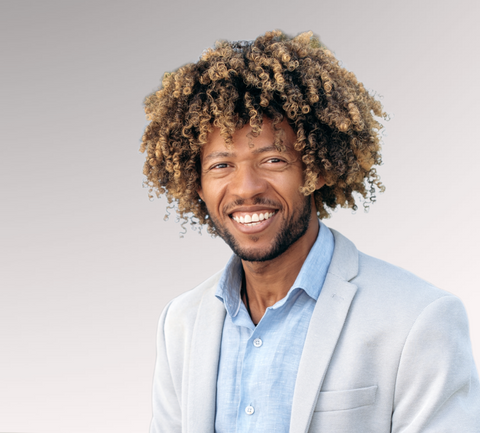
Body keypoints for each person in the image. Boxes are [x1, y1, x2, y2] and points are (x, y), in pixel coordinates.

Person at [140, 30, 480, 432]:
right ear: (197, 185)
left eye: (272, 159)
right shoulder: (180, 323)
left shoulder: (418, 320)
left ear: (315, 169)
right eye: (221, 165)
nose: (246, 188)